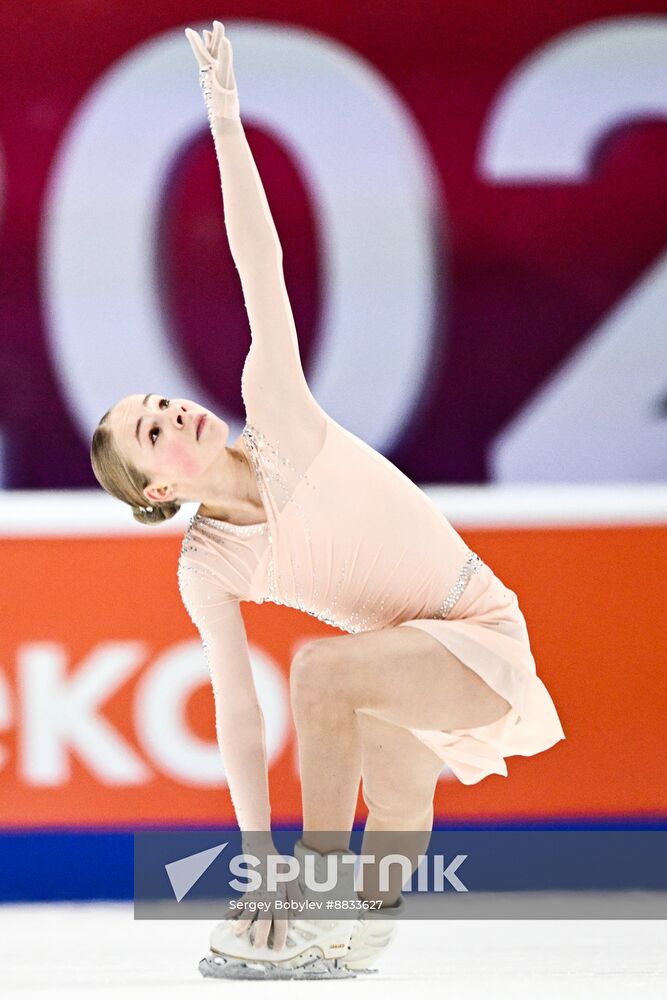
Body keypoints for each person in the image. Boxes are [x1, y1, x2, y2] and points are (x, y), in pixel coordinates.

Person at [90, 21, 566, 979]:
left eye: (159, 402)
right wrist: (252, 849)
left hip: (476, 627)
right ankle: (347, 939)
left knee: (321, 672)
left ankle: (307, 903)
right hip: (406, 662)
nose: (171, 411)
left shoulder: (278, 414)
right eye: (151, 432)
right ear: (154, 493)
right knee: (390, 795)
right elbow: (236, 715)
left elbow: (255, 266)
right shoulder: (207, 566)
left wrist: (224, 121)